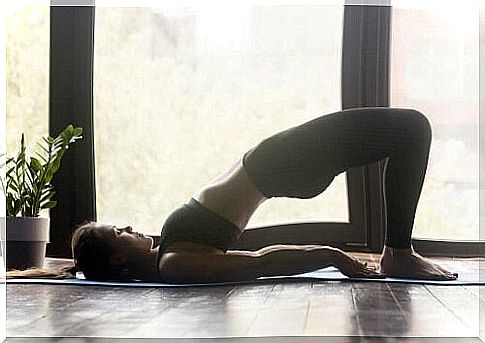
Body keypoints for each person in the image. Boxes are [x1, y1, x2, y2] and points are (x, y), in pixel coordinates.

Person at [7, 107, 459, 283]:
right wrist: (333, 256)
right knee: (412, 129)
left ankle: (399, 249)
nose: (128, 226)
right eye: (119, 232)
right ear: (120, 261)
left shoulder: (167, 252)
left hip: (277, 164)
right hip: (281, 163)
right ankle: (398, 251)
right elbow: (263, 263)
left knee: (408, 132)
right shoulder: (174, 263)